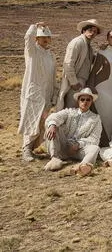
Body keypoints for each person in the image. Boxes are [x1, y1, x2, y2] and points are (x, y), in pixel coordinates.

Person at [19, 22, 58, 161]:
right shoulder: (32, 52)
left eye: (47, 37)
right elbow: (27, 38)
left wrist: (54, 93)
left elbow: (53, 76)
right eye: (42, 37)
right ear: (37, 39)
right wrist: (34, 26)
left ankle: (34, 148)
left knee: (41, 124)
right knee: (32, 120)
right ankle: (26, 150)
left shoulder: (51, 56)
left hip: (46, 94)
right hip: (33, 93)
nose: (45, 39)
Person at [43, 88, 102, 176]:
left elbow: (94, 138)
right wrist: (53, 125)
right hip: (62, 145)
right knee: (53, 125)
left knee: (95, 148)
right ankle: (54, 158)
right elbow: (55, 116)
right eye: (82, 99)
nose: (85, 102)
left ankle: (82, 166)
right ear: (78, 101)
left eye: (88, 100)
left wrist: (79, 144)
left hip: (77, 150)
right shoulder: (69, 112)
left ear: (91, 102)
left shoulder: (95, 118)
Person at [58, 19, 101, 109]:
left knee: (78, 108)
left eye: (95, 32)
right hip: (75, 81)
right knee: (70, 108)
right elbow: (68, 63)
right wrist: (74, 82)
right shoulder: (78, 42)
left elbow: (91, 60)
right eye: (90, 30)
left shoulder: (88, 46)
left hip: (82, 81)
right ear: (84, 30)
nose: (92, 33)